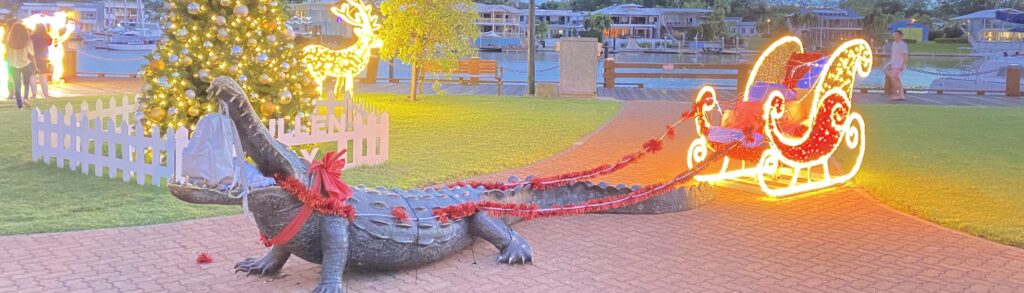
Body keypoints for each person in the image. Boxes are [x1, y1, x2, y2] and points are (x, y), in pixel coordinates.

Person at [4, 22, 35, 109]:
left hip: (13, 65)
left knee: (17, 84)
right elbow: (31, 55)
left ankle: (19, 103)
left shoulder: (9, 42)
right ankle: (26, 98)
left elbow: (7, 54)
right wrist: (35, 66)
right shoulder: (27, 41)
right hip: (26, 63)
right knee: (26, 83)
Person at [30, 23, 51, 99]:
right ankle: (46, 94)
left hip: (33, 58)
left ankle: (34, 94)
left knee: (32, 76)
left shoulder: (32, 36)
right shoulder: (47, 37)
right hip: (43, 59)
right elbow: (50, 43)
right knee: (43, 77)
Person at [885, 30, 908, 101]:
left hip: (899, 65)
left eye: (896, 34)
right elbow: (893, 55)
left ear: (900, 36)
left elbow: (905, 55)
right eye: (894, 34)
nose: (894, 36)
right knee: (896, 79)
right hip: (894, 64)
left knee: (894, 78)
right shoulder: (894, 44)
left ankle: (898, 94)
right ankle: (901, 94)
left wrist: (903, 65)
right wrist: (891, 64)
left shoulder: (902, 45)